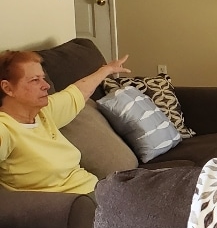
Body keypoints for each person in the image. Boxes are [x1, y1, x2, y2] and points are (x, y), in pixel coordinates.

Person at [0, 49, 130, 194]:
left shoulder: (44, 112)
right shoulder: (5, 129)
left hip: (98, 191)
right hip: (73, 207)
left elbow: (79, 92)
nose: (46, 86)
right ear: (8, 88)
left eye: (43, 78)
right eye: (35, 80)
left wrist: (107, 69)